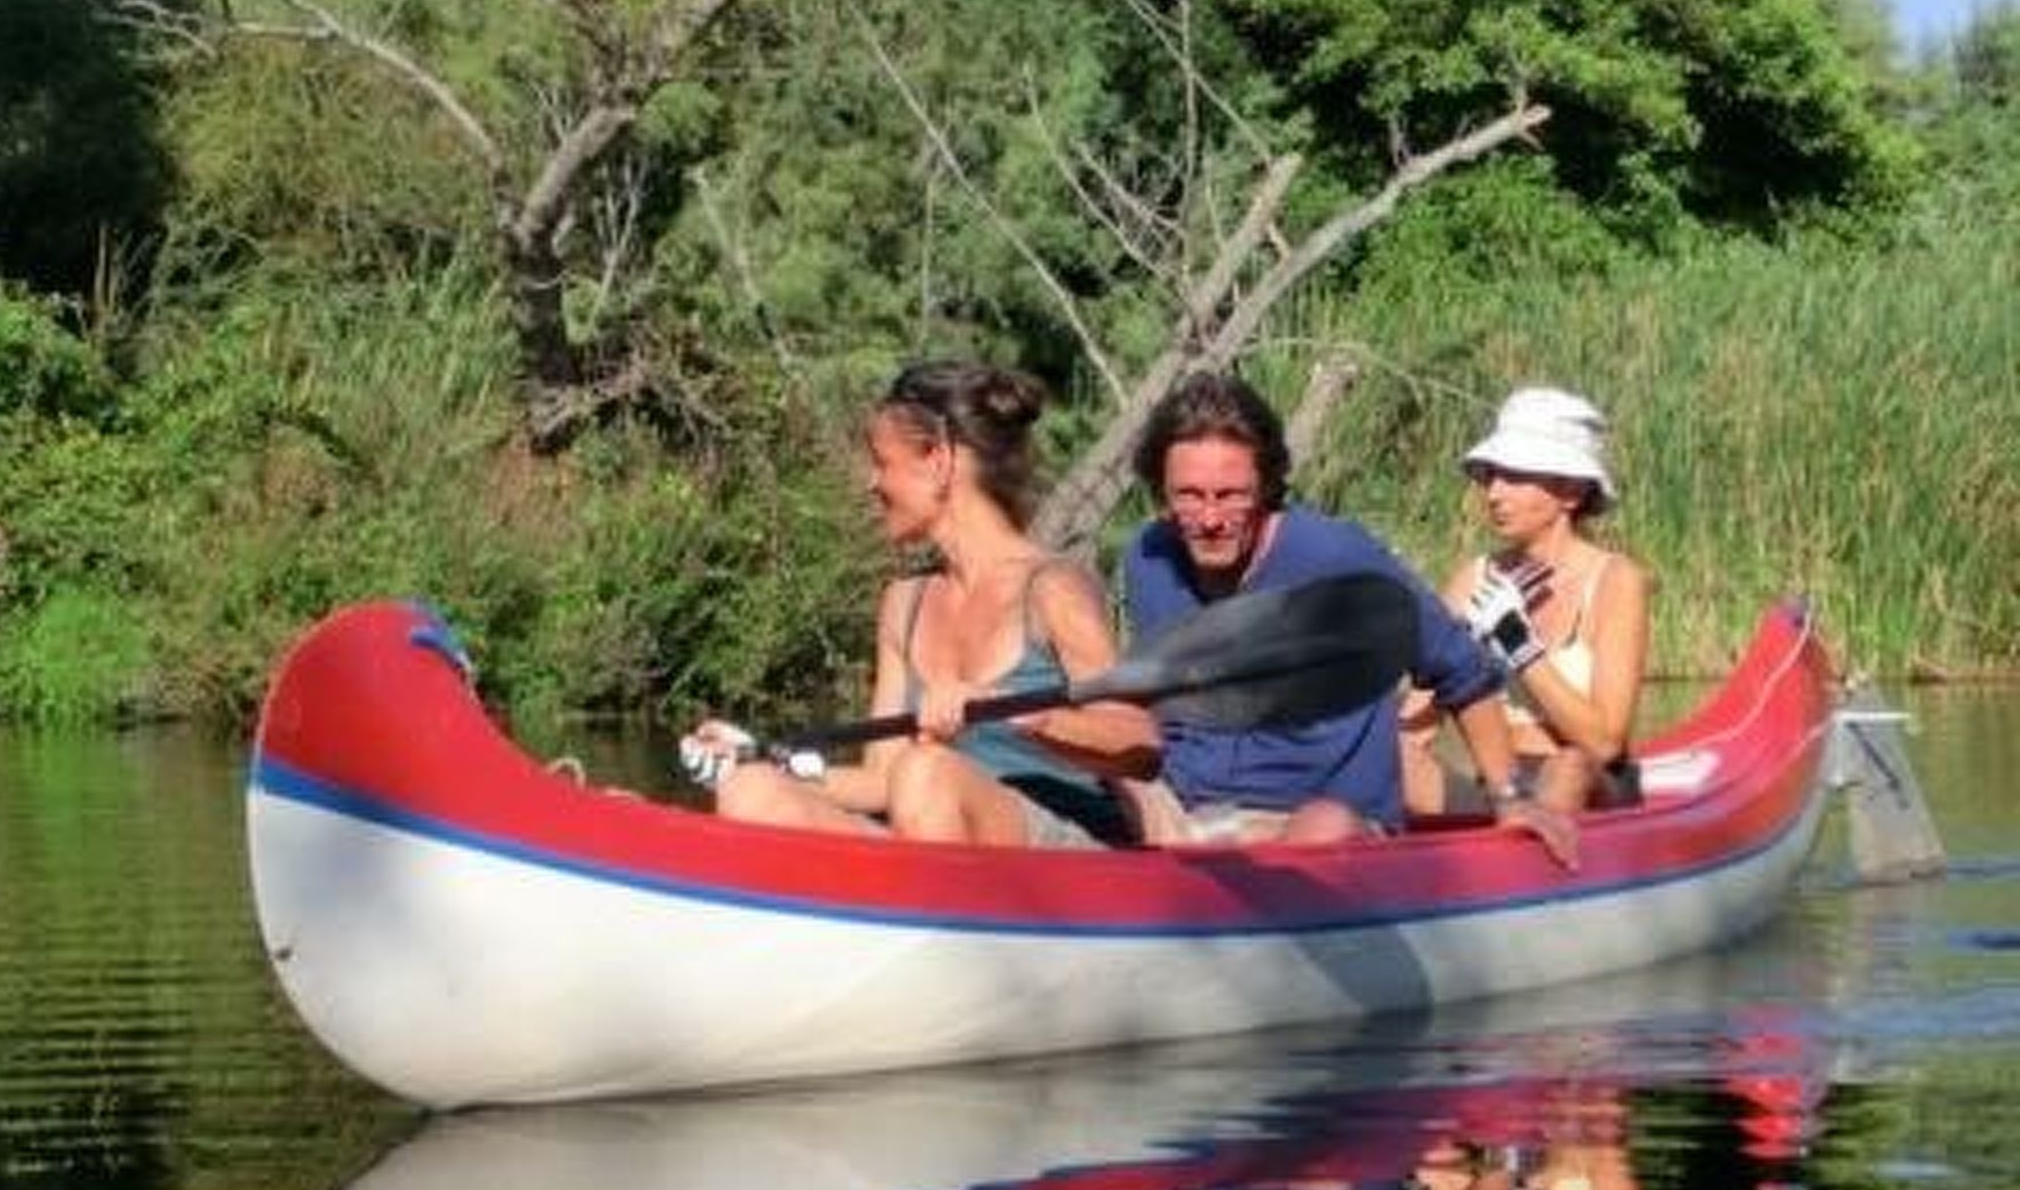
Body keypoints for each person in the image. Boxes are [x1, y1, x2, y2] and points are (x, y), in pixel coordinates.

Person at [679, 358, 1160, 846]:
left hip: (1068, 858)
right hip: (933, 832)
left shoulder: (1054, 586)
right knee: (751, 792)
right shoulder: (901, 604)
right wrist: (760, 757)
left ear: (938, 460)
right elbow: (879, 781)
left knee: (926, 772)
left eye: (882, 462)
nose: (872, 482)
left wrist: (1021, 713)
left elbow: (1138, 744)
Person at [1118, 371, 1575, 862]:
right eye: (1188, 495)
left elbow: (1460, 668)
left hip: (1312, 822)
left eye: (1230, 495)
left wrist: (1509, 798)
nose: (1209, 519)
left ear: (1266, 485)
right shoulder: (1148, 558)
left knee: (1324, 825)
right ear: (1161, 492)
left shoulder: (1337, 556)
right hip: (1185, 814)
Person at [1402, 387, 1652, 816]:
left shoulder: (1617, 580)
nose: (1494, 492)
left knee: (1568, 767)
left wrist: (1519, 646)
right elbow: (1416, 727)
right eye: (1490, 475)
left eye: (1515, 477)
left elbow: (1606, 743)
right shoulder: (1473, 580)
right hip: (1504, 792)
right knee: (1389, 756)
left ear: (1570, 493)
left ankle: (1531, 853)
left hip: (1590, 784)